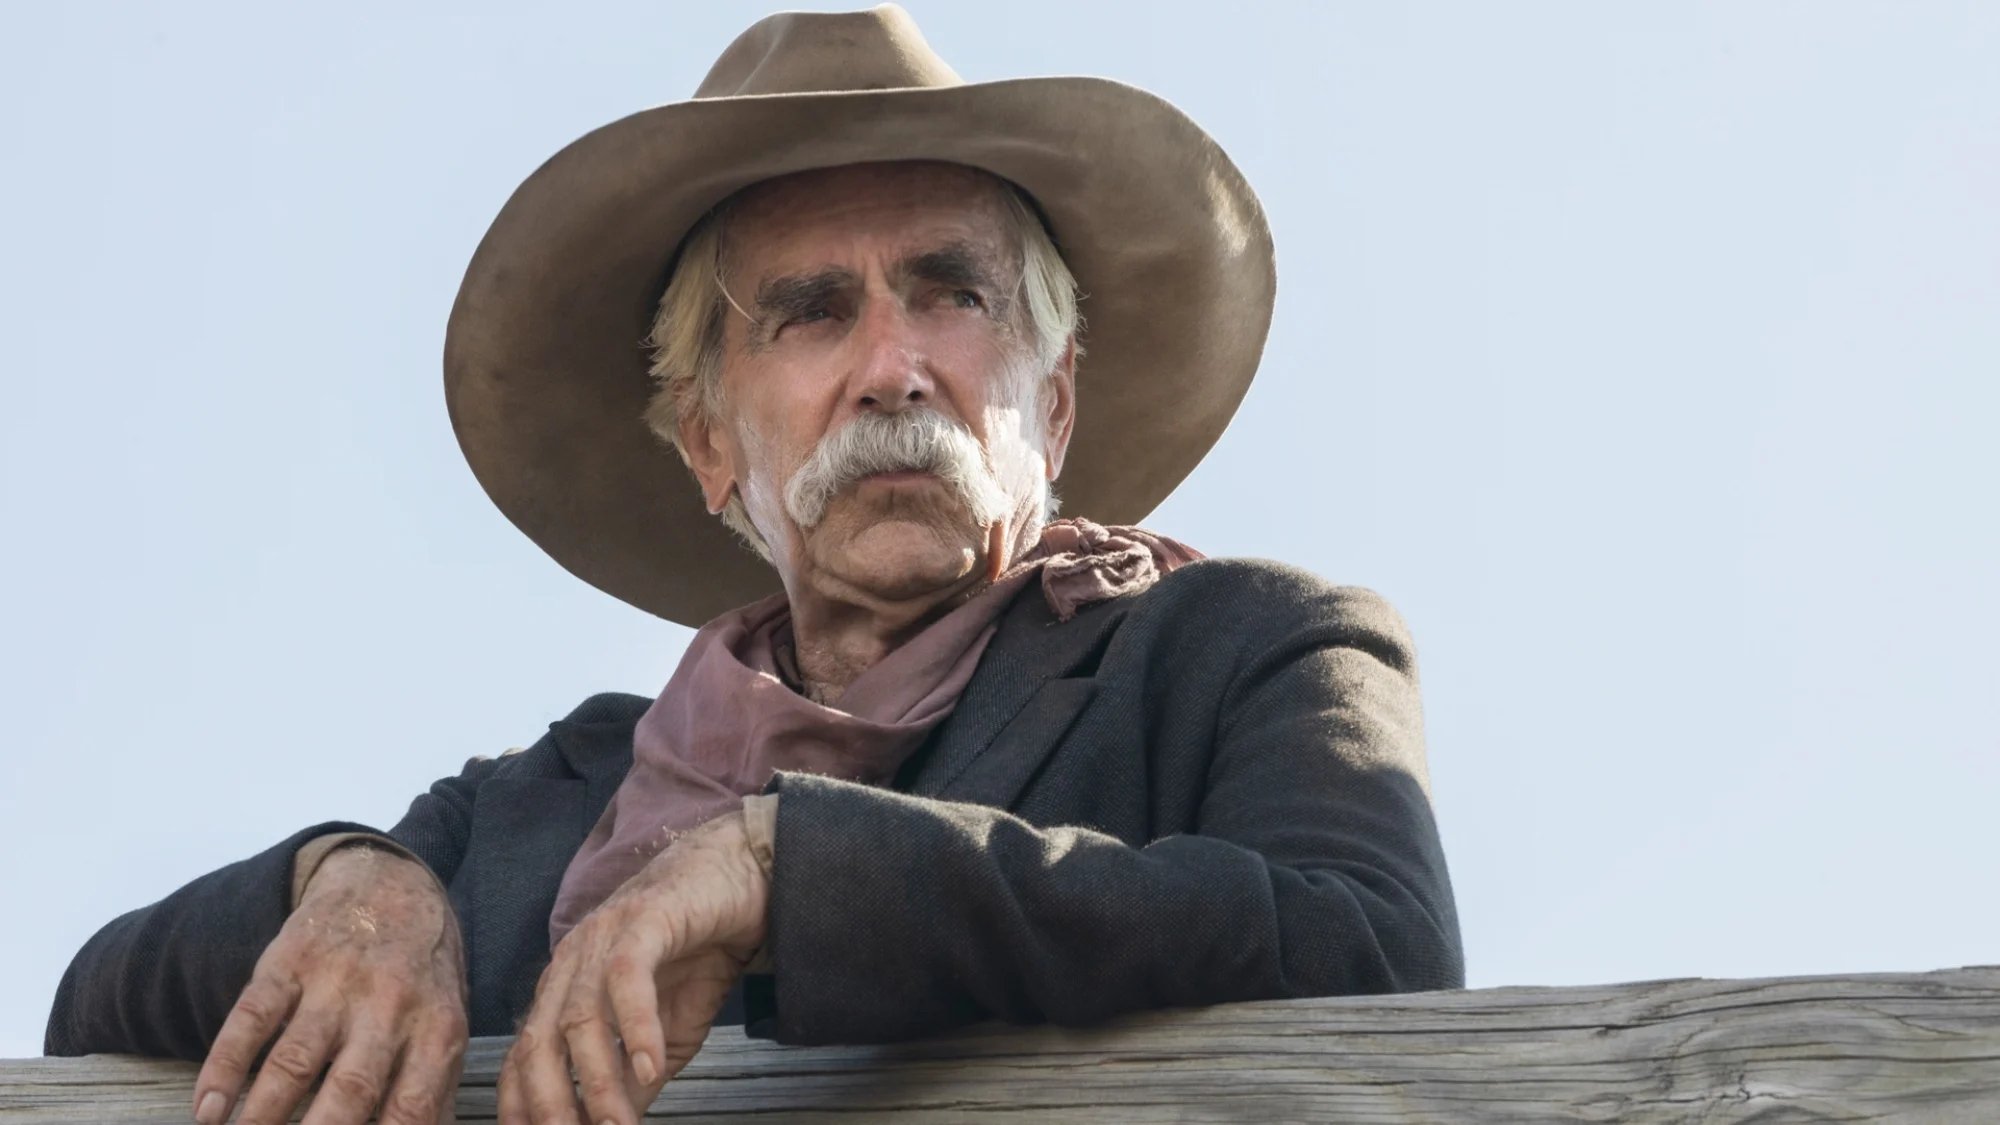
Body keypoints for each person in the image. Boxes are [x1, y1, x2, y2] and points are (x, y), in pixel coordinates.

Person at [44, 7, 1463, 1125]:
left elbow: (1382, 955)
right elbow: (95, 1005)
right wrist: (348, 880)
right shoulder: (541, 806)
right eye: (811, 312)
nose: (892, 367)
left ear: (1059, 400)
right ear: (713, 447)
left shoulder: (1239, 649)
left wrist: (794, 866)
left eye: (950, 292)